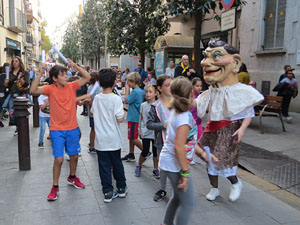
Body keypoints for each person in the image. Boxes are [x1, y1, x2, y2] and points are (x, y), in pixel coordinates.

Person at [196, 40, 264, 202]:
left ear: (235, 62)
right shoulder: (211, 91)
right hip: (211, 128)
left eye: (216, 56)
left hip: (228, 129)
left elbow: (248, 111)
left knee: (222, 160)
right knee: (209, 159)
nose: (205, 62)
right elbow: (199, 105)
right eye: (205, 57)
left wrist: (242, 129)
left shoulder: (241, 91)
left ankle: (235, 183)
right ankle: (214, 188)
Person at [30, 59, 91, 201]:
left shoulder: (71, 86)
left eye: (66, 74)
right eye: (63, 75)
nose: (66, 76)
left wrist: (75, 65)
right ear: (54, 78)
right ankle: (55, 187)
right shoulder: (50, 89)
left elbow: (87, 77)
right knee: (59, 160)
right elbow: (33, 90)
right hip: (57, 129)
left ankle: (72, 177)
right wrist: (40, 72)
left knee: (74, 156)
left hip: (73, 128)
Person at [159, 77, 198, 225]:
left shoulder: (177, 110)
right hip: (174, 164)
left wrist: (200, 153)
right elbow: (178, 146)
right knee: (188, 203)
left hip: (170, 162)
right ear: (189, 95)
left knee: (177, 197)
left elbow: (187, 140)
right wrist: (185, 172)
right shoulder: (183, 117)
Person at [91, 68, 127, 203]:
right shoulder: (116, 99)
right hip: (113, 139)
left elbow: (93, 113)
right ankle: (121, 188)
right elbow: (120, 118)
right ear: (114, 83)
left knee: (104, 166)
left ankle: (107, 191)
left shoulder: (97, 99)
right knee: (117, 163)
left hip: (100, 140)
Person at [146, 75, 172, 202]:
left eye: (172, 85)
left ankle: (177, 190)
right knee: (164, 167)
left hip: (177, 141)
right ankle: (163, 188)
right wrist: (163, 125)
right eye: (167, 85)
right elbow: (149, 124)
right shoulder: (155, 106)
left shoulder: (177, 103)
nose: (171, 88)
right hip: (162, 141)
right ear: (160, 88)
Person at [135, 85, 159, 178]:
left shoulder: (158, 105)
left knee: (155, 151)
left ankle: (156, 168)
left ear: (156, 93)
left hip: (155, 132)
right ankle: (139, 165)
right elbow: (141, 119)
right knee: (145, 150)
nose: (148, 94)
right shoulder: (143, 105)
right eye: (147, 92)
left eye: (150, 92)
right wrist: (140, 130)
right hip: (146, 132)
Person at [121, 72, 144, 161]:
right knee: (131, 136)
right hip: (134, 117)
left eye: (128, 82)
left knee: (133, 137)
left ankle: (145, 151)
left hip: (134, 117)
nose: (128, 84)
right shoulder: (139, 91)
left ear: (133, 81)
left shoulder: (135, 92)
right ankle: (131, 153)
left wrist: (126, 90)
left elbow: (127, 100)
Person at [5, 57, 29, 134]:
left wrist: (20, 79)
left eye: (16, 61)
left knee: (21, 112)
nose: (14, 63)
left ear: (20, 63)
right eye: (13, 61)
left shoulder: (24, 73)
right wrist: (6, 83)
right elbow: (7, 86)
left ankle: (20, 127)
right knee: (12, 113)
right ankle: (18, 125)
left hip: (21, 95)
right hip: (12, 95)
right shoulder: (10, 73)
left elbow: (26, 84)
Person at [87, 72, 101, 153]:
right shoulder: (97, 88)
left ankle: (92, 143)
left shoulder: (90, 87)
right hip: (95, 111)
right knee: (94, 129)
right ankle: (92, 146)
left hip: (91, 110)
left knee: (93, 128)